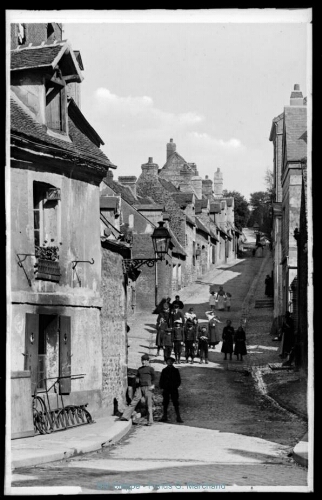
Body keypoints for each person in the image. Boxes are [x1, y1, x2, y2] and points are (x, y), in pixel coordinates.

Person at [120, 354, 155, 425]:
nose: (143, 362)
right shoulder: (140, 369)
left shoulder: (151, 369)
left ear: (148, 361)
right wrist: (137, 380)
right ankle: (125, 416)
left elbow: (154, 378)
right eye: (142, 360)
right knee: (134, 401)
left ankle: (150, 421)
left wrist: (152, 385)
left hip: (148, 387)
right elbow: (137, 378)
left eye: (145, 360)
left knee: (148, 404)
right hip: (139, 387)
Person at [159, 357, 183, 423]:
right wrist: (162, 387)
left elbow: (179, 380)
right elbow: (161, 380)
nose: (169, 362)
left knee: (176, 403)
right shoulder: (164, 370)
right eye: (168, 361)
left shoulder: (176, 370)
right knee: (165, 403)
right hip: (166, 389)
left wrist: (175, 386)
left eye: (170, 361)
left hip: (173, 389)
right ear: (166, 362)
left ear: (173, 362)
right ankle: (164, 416)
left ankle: (178, 417)